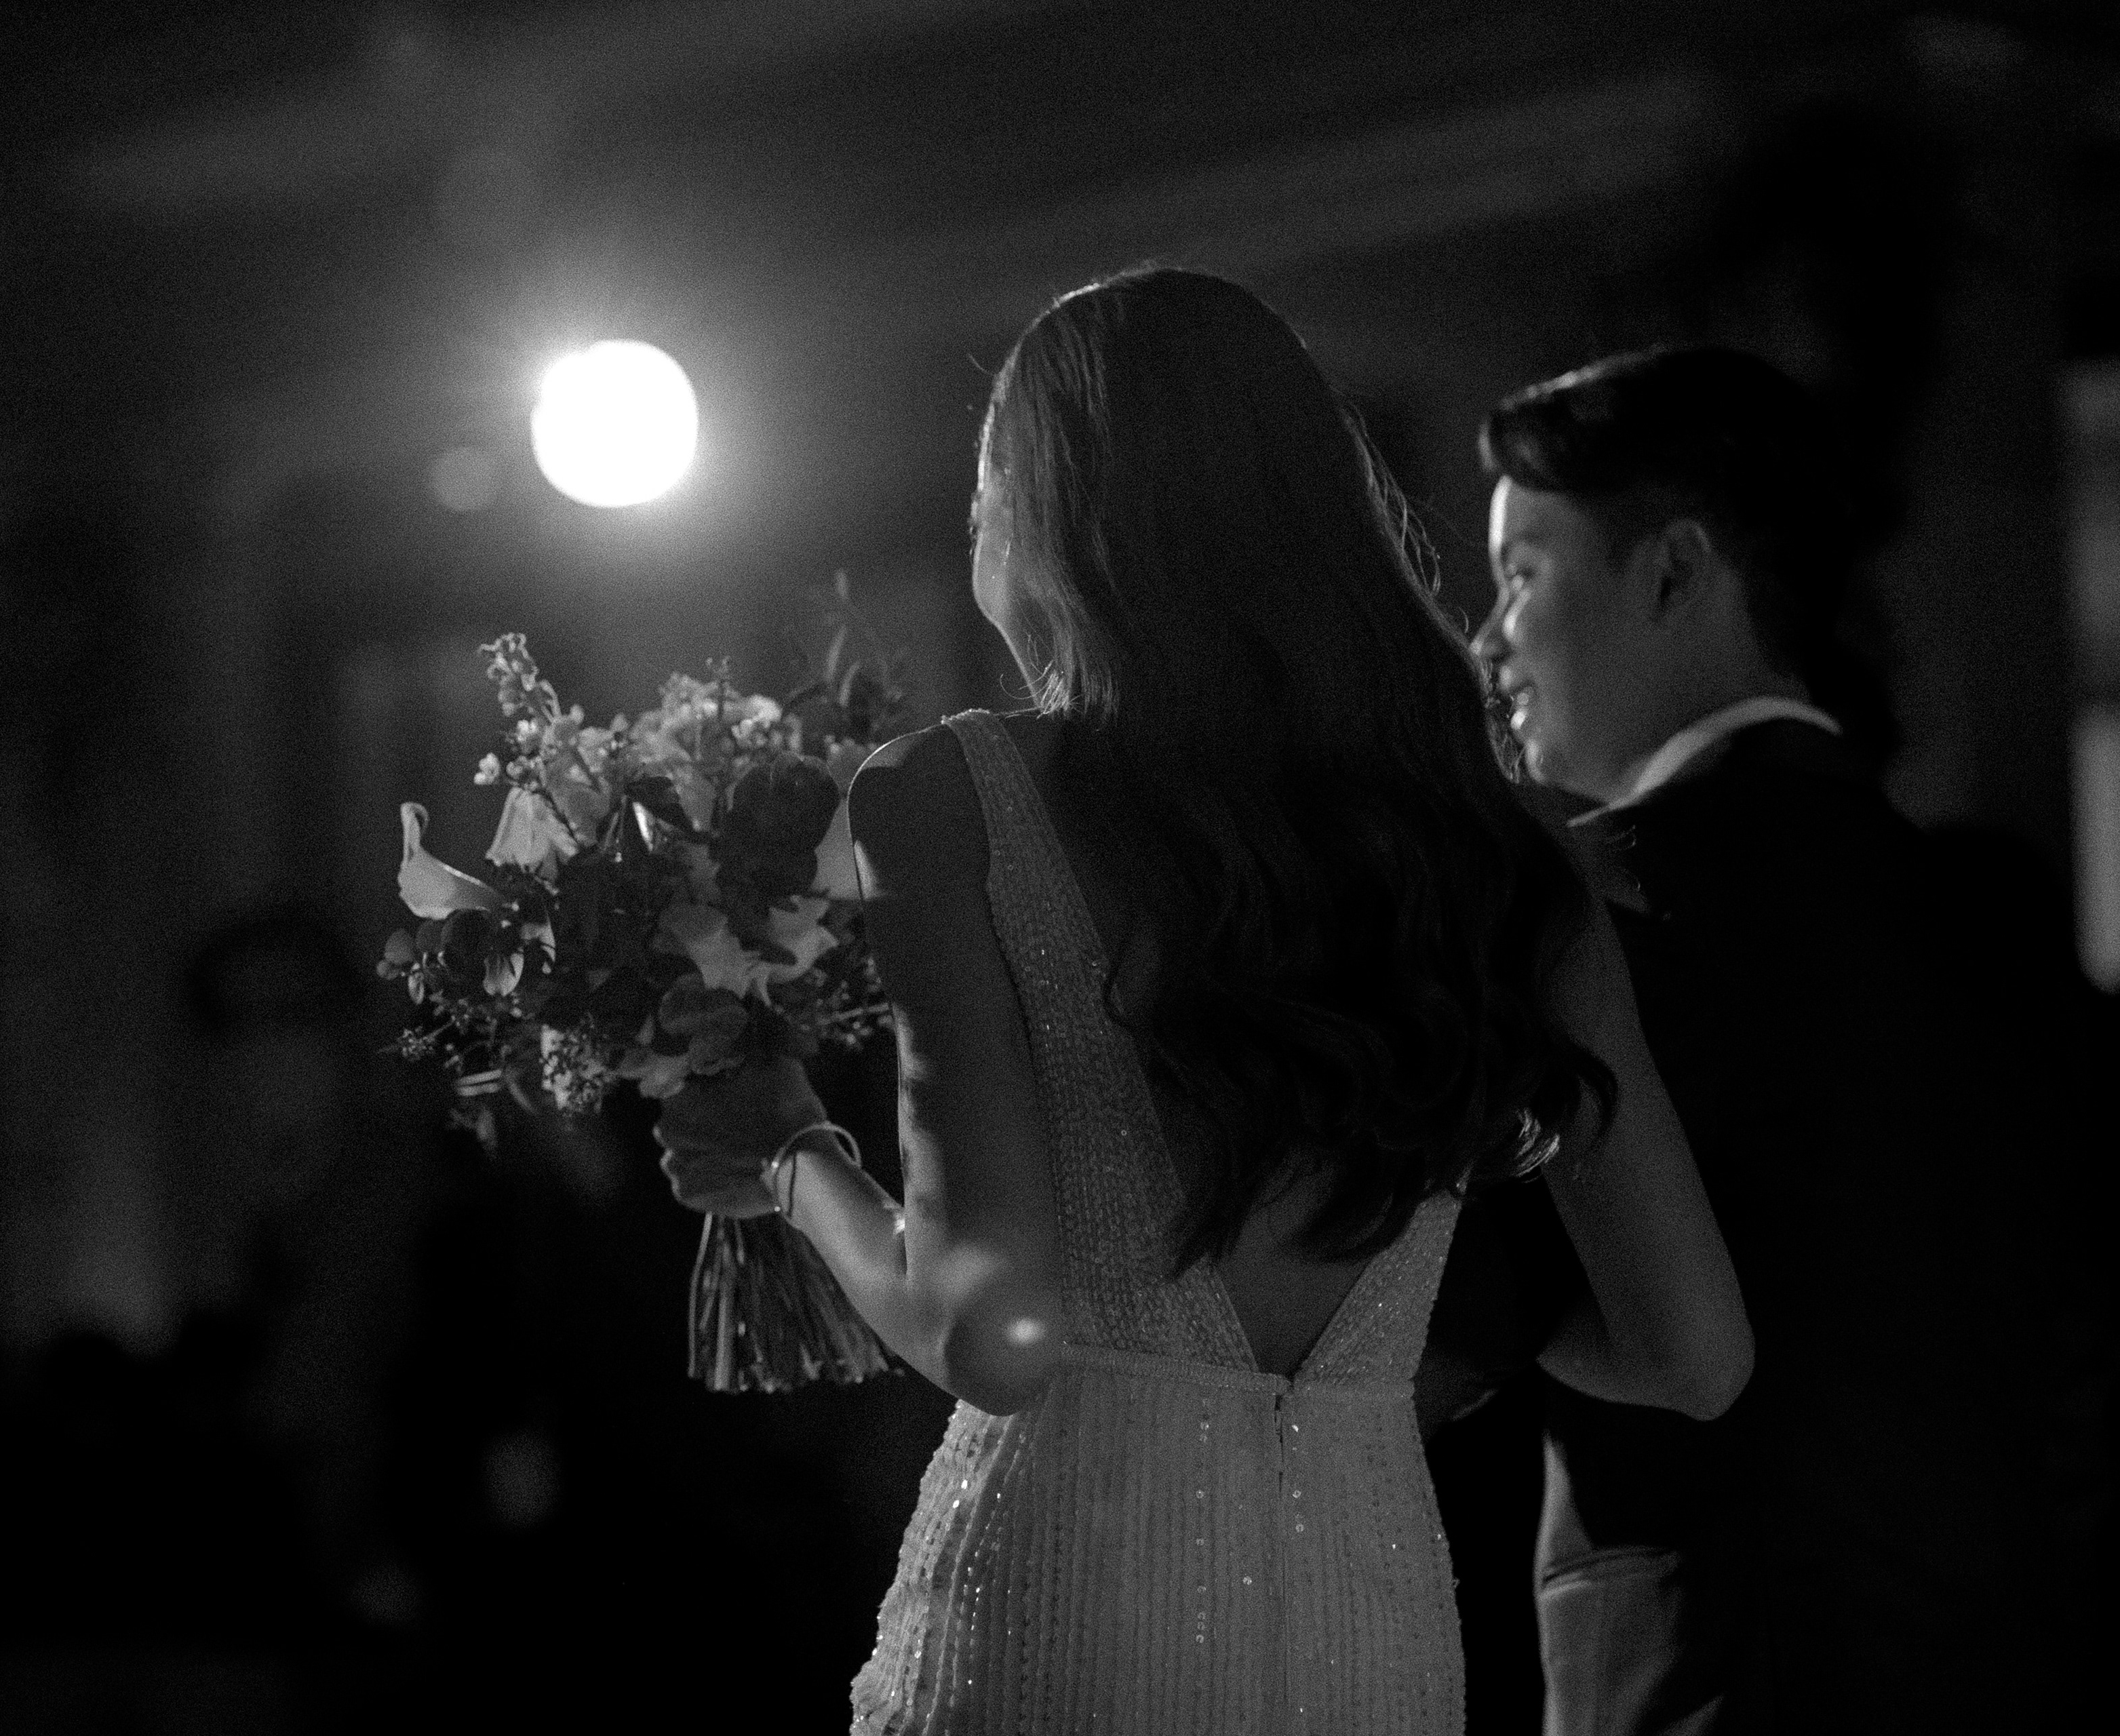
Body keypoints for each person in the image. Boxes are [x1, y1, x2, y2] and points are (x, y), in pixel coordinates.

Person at [654, 270, 1752, 1735]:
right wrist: (1373, 1354)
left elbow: (993, 1335)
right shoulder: (1503, 857)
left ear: (1050, 520)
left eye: (984, 499)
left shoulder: (957, 798)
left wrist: (792, 1156)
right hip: (1371, 1635)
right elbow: (1695, 1355)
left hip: (1063, 1614)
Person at [1457, 346, 2098, 1733]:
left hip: (1712, 1679)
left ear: (1676, 572)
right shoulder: (1997, 917)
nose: (1487, 642)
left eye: (1521, 574)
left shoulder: (1592, 912)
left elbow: (1469, 1313)